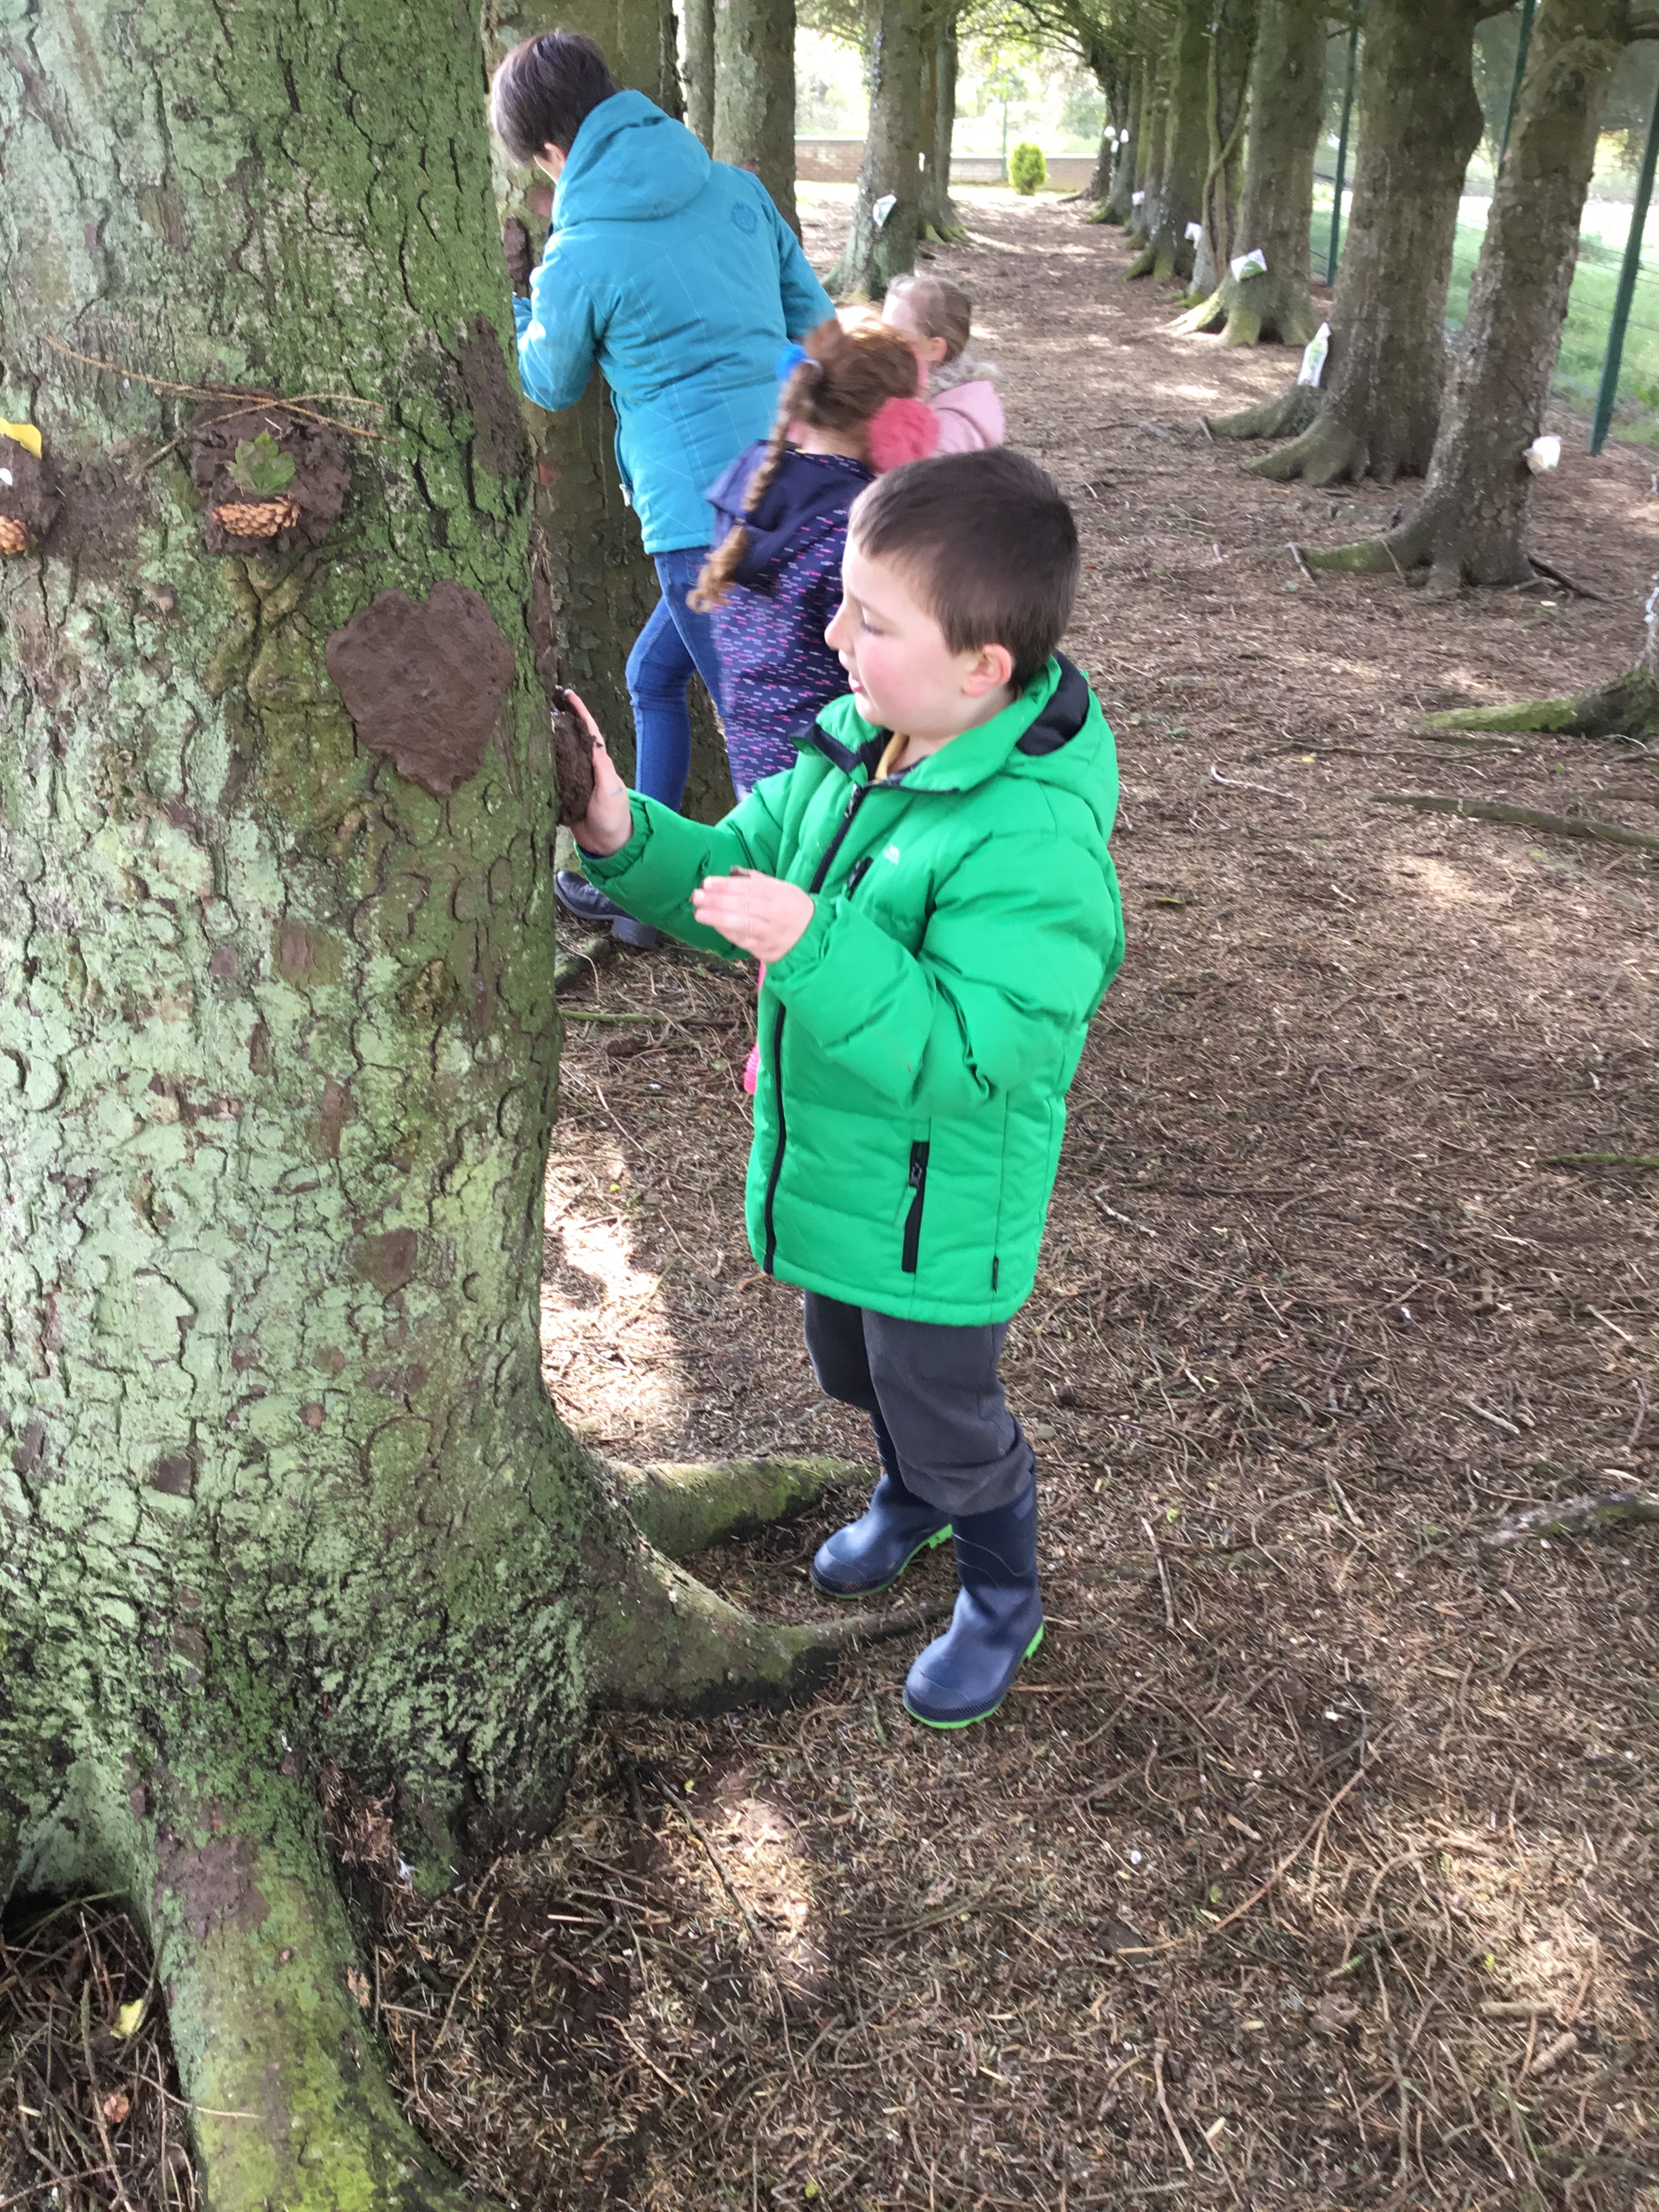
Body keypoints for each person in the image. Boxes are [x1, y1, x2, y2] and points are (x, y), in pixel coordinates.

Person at [562, 450, 1124, 1728]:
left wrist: (810, 939)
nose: (832, 633)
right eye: (844, 605)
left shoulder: (1030, 841)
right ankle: (911, 1497)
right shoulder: (856, 748)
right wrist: (617, 828)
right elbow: (736, 876)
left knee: (944, 1406)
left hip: (941, 1210)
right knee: (847, 1365)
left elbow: (976, 1052)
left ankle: (998, 1589)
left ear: (984, 664)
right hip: (849, 1180)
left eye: (872, 621)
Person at [489, 30, 834, 948]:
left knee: (766, 739)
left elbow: (550, 382)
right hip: (801, 487)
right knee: (654, 672)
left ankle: (801, 925)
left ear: (550, 154)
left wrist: (517, 303)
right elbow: (818, 321)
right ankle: (646, 899)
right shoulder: (736, 190)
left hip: (699, 520)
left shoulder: (583, 247)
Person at [693, 319, 937, 797]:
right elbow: (879, 663)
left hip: (756, 762)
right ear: (897, 426)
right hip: (834, 770)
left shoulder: (754, 480)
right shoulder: (858, 529)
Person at [881, 274, 1006, 454]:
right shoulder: (908, 392)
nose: (882, 345)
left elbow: (920, 482)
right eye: (882, 332)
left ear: (934, 348)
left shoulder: (949, 428)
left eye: (896, 337)